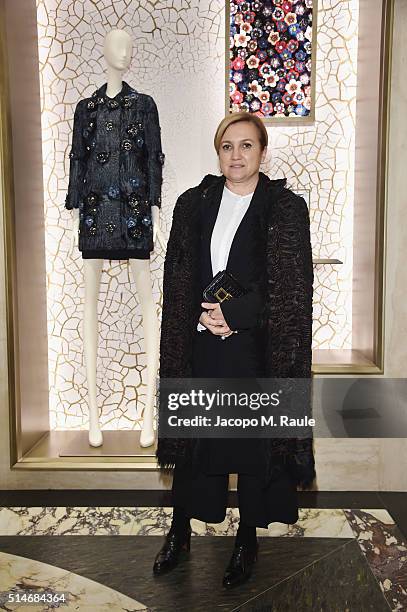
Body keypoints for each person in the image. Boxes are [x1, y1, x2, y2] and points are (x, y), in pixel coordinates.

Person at [154, 112, 316, 588]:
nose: (237, 155)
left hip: (255, 353)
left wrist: (236, 318)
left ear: (263, 152)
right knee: (193, 446)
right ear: (218, 152)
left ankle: (247, 537)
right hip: (201, 349)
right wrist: (199, 317)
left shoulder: (284, 208)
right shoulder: (194, 204)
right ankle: (178, 530)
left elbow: (290, 287)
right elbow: (178, 276)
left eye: (247, 146)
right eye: (228, 146)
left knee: (250, 451)